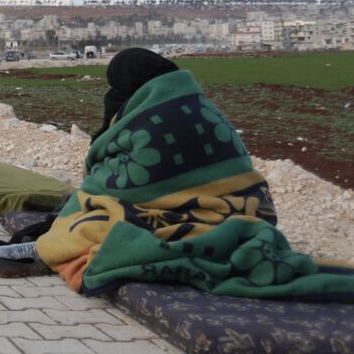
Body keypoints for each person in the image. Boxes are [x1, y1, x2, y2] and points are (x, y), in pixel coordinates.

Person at [29, 48, 354, 299]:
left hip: (179, 220)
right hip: (251, 212)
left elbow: (112, 188)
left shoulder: (142, 122)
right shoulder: (203, 108)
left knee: (86, 224)